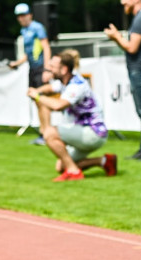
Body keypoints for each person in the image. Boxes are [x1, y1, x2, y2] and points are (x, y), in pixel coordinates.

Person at [28, 50, 117, 181]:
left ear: (64, 69)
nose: (49, 70)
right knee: (61, 166)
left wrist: (36, 96)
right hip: (86, 131)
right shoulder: (64, 82)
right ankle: (104, 161)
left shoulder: (76, 85)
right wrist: (37, 90)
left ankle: (74, 172)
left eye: (52, 67)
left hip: (92, 133)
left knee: (49, 133)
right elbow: (50, 88)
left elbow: (58, 105)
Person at [104, 0, 141, 160]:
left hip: (140, 71)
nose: (122, 3)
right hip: (139, 71)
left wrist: (116, 37)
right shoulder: (140, 17)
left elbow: (132, 47)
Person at [8, 3, 52, 144]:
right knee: (37, 101)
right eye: (19, 16)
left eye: (24, 15)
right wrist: (17, 63)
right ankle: (42, 132)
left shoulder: (37, 28)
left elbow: (46, 48)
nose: (22, 18)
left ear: (30, 15)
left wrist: (47, 69)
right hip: (32, 69)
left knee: (43, 101)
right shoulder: (23, 31)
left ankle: (47, 133)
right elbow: (29, 53)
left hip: (40, 68)